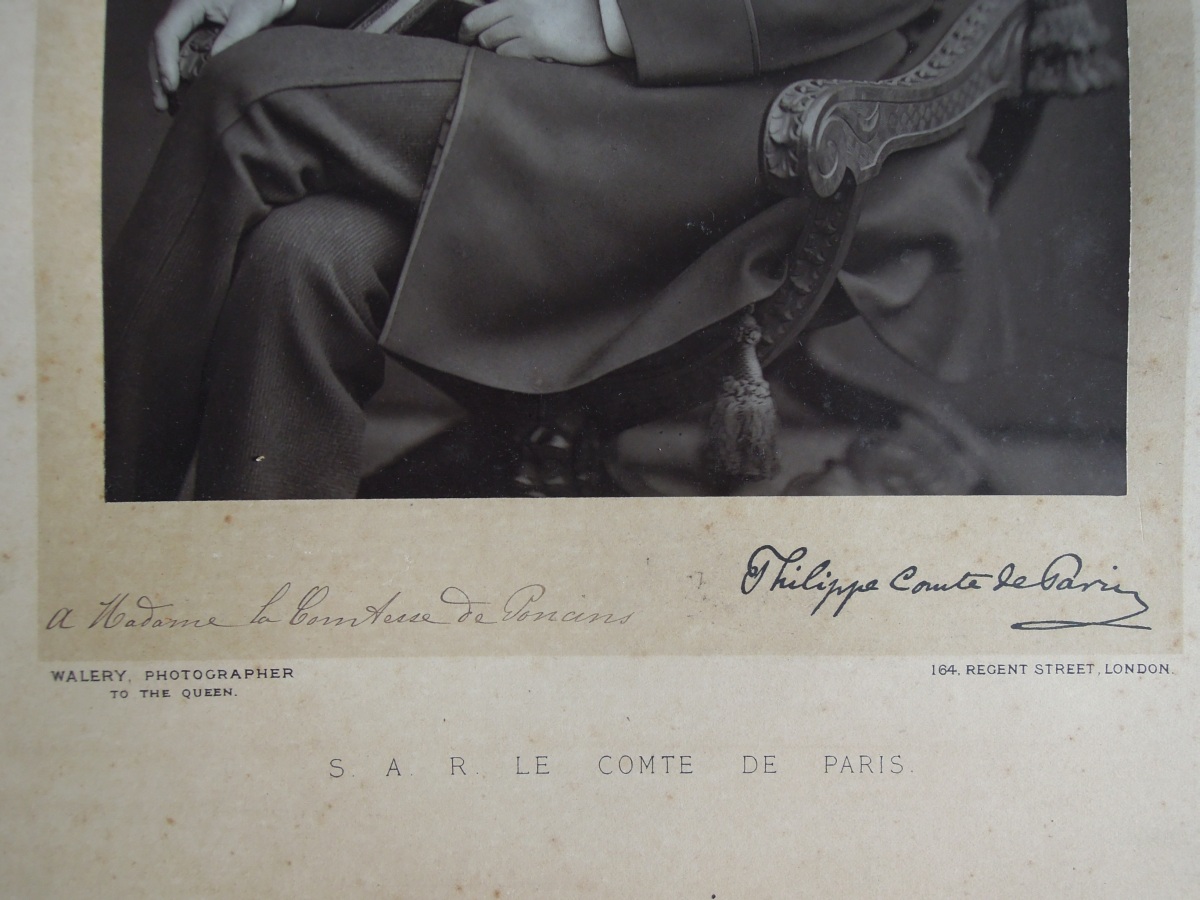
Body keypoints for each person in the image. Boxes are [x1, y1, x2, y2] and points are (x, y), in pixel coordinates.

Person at [104, 0, 1010, 501]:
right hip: (545, 88)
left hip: (724, 115)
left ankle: (108, 546)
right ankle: (264, 625)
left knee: (253, 97)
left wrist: (617, 19)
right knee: (303, 257)